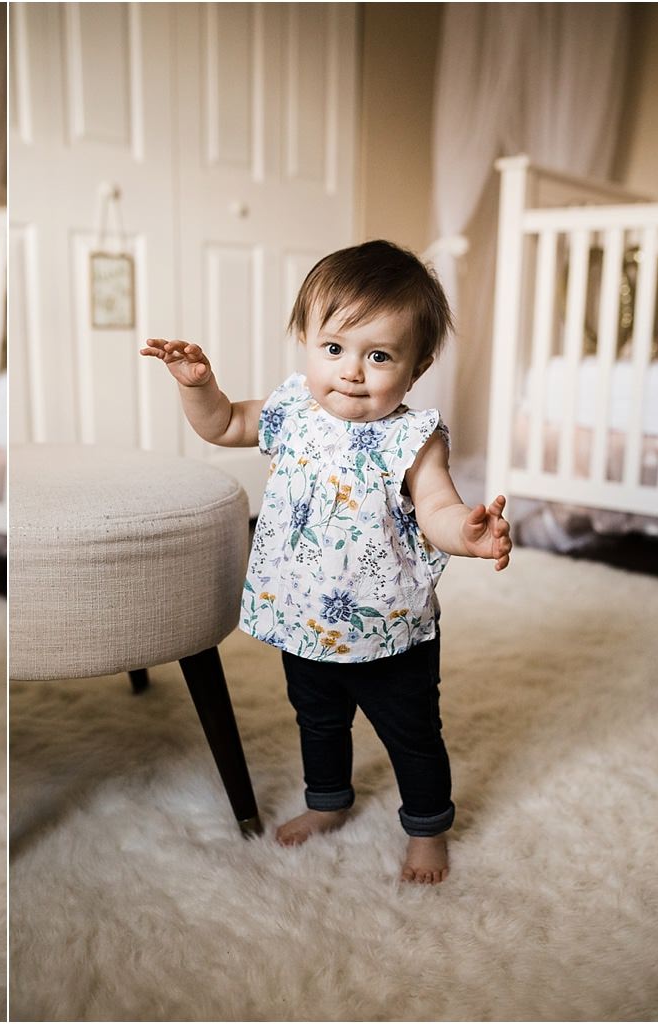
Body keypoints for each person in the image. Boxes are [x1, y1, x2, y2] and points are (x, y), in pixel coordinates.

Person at [141, 239, 513, 885]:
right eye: (334, 348)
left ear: (417, 365)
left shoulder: (412, 437)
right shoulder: (291, 409)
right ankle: (329, 801)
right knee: (317, 720)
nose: (351, 371)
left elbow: (436, 508)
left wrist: (468, 533)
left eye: (378, 356)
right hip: (304, 619)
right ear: (307, 341)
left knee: (413, 733)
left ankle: (427, 827)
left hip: (387, 629)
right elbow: (224, 424)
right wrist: (200, 388)